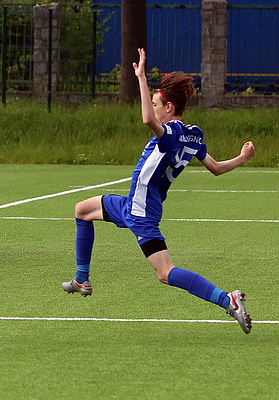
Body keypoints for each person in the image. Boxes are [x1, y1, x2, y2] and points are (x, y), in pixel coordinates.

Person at [61, 48, 256, 334]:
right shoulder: (193, 134)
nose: (152, 109)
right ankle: (81, 279)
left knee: (165, 273)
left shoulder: (172, 134)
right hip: (131, 204)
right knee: (82, 210)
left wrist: (140, 77)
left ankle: (228, 300)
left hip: (141, 212)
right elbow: (215, 168)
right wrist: (242, 157)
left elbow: (147, 120)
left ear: (169, 107)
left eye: (155, 104)